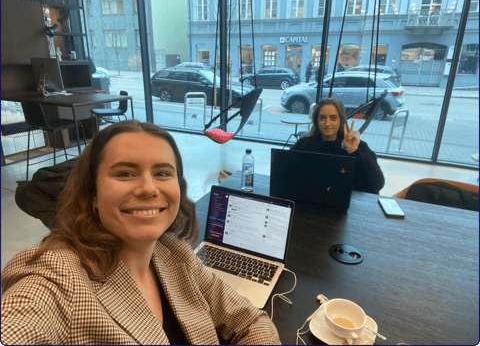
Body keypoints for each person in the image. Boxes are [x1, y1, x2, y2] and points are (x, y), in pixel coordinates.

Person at [1, 120, 280, 345]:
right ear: (92, 194)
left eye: (162, 173)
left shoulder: (175, 254)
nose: (149, 188)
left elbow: (251, 322)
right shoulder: (59, 277)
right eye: (125, 173)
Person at [290, 99, 385, 194]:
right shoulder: (304, 143)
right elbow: (286, 171)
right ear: (316, 120)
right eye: (322, 118)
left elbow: (376, 185)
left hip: (347, 203)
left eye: (333, 118)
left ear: (341, 120)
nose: (327, 123)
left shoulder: (358, 145)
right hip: (310, 199)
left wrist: (354, 151)